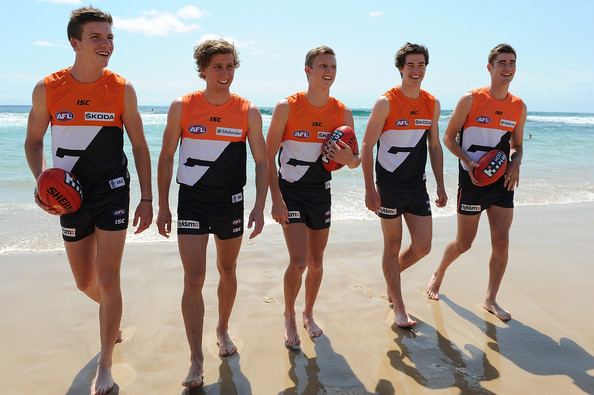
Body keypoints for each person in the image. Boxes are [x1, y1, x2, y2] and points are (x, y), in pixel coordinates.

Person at [23, 6, 153, 395]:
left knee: (109, 278)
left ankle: (106, 367)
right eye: (97, 37)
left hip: (112, 188)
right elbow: (31, 141)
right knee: (85, 282)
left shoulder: (122, 89)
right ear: (74, 42)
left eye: (110, 37)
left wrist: (147, 198)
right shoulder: (48, 88)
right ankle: (111, 314)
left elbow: (140, 146)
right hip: (70, 198)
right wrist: (42, 183)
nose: (106, 44)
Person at [156, 39, 267, 388]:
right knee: (193, 278)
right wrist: (161, 204)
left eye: (230, 65)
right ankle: (196, 358)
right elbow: (165, 157)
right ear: (203, 69)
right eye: (218, 66)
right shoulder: (183, 106)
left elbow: (263, 162)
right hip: (191, 201)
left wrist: (260, 206)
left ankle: (221, 328)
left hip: (230, 203)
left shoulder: (247, 111)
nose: (225, 72)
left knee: (227, 269)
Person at [266, 46, 360, 350]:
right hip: (291, 192)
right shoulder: (287, 107)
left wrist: (349, 159)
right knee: (299, 260)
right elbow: (266, 158)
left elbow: (355, 161)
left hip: (321, 192)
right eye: (322, 66)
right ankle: (289, 315)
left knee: (317, 262)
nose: (328, 71)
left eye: (332, 66)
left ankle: (308, 313)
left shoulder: (342, 112)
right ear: (308, 70)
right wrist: (275, 199)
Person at [425, 43, 527, 322]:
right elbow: (447, 138)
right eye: (502, 63)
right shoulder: (470, 100)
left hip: (502, 181)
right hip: (471, 179)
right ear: (490, 67)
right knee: (464, 242)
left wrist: (515, 165)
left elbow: (517, 146)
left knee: (502, 242)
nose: (508, 68)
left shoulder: (518, 106)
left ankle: (491, 299)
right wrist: (467, 161)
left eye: (512, 63)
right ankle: (440, 271)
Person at [361, 43, 447, 328]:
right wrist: (370, 188)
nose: (416, 70)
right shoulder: (386, 102)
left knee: (423, 246)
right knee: (392, 243)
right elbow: (367, 145)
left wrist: (441, 185)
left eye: (421, 65)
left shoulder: (431, 103)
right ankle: (398, 306)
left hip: (416, 185)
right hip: (388, 185)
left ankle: (391, 275)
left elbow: (434, 145)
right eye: (411, 65)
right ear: (400, 68)